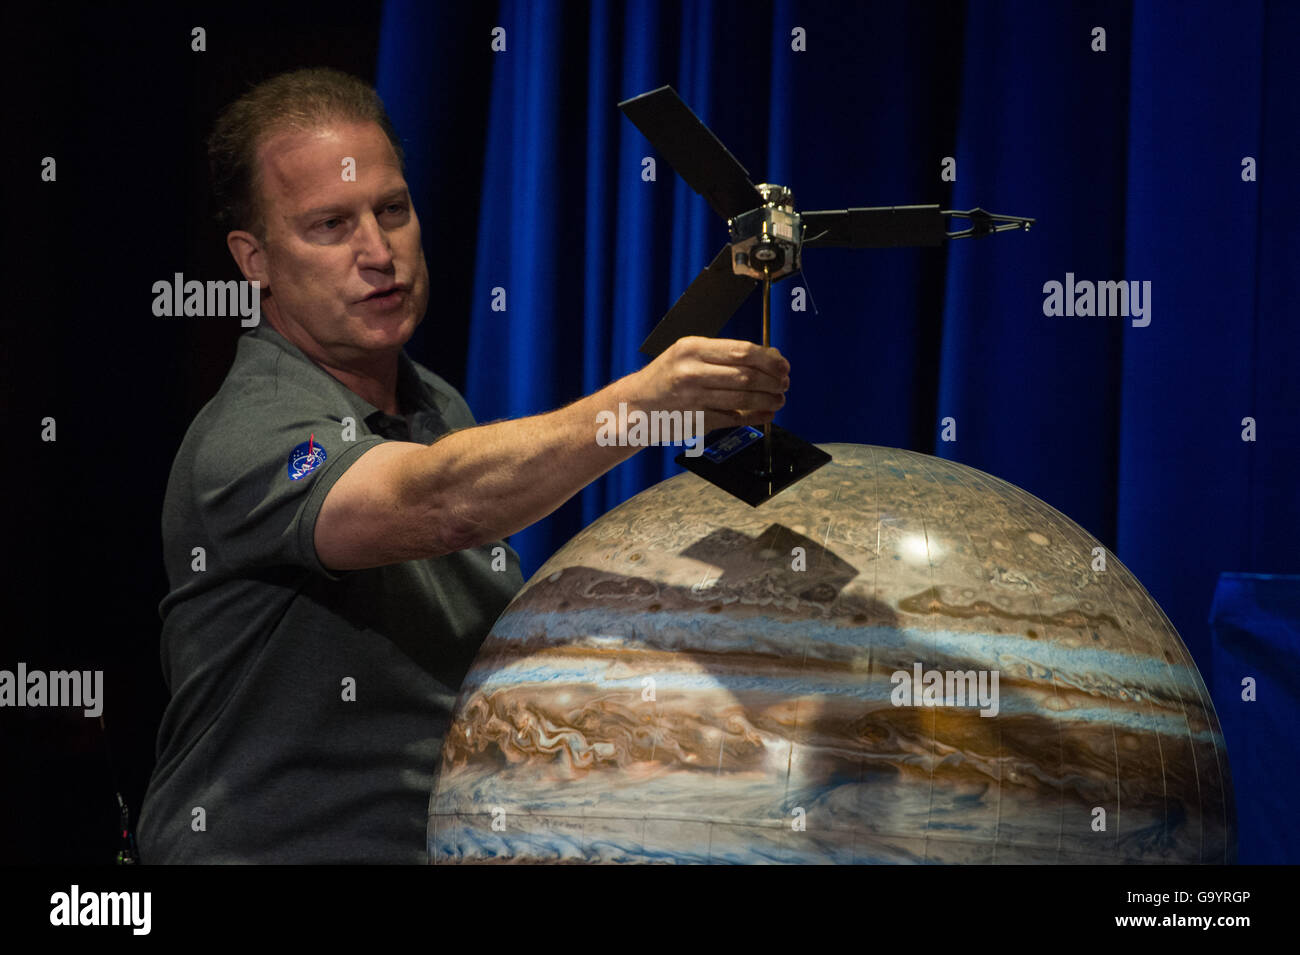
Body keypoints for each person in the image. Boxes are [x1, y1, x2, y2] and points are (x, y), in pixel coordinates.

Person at [137, 67, 790, 863]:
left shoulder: (436, 406)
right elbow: (441, 500)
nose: (378, 253)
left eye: (393, 211)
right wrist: (643, 406)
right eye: (330, 226)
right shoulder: (246, 434)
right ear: (255, 260)